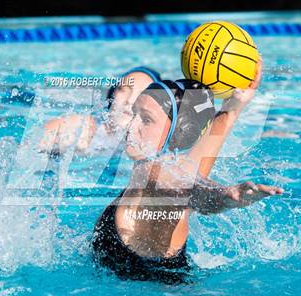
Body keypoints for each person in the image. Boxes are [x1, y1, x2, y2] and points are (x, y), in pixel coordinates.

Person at [91, 59, 284, 283]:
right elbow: (195, 172)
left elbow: (191, 188)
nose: (131, 126)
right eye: (134, 114)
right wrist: (235, 106)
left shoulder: (152, 173)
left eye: (146, 119)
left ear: (175, 134)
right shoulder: (177, 169)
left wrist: (225, 196)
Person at [38, 67, 161, 155]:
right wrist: (55, 139)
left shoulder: (151, 147)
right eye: (124, 90)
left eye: (141, 94)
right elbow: (29, 148)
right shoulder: (84, 126)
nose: (129, 100)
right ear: (111, 96)